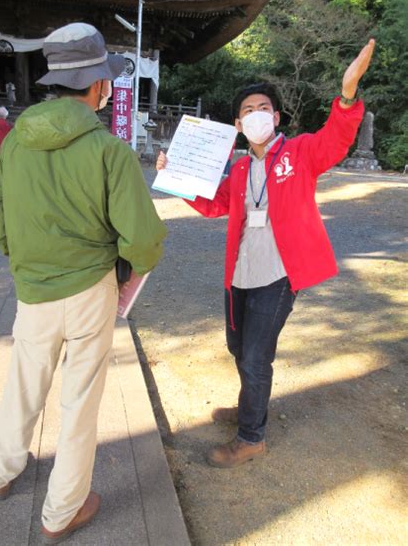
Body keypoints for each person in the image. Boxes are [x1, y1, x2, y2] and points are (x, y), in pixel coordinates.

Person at [0, 22, 167, 542]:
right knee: (79, 401)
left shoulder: (16, 142)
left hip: (34, 290)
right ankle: (61, 511)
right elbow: (144, 238)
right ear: (97, 85)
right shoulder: (108, 150)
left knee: (23, 384)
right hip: (89, 289)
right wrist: (127, 268)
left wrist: (21, 258)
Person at [156, 39, 375, 468]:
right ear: (238, 124)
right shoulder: (238, 168)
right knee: (239, 348)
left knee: (256, 357)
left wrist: (347, 95)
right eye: (247, 111)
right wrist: (175, 177)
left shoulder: (299, 153)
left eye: (262, 109)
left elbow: (336, 139)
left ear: (275, 117)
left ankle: (251, 437)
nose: (255, 115)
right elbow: (214, 202)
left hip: (278, 275)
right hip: (238, 272)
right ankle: (249, 405)